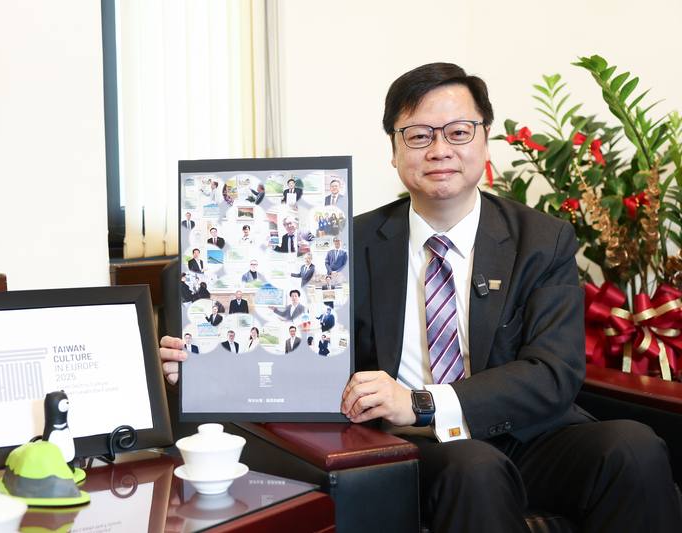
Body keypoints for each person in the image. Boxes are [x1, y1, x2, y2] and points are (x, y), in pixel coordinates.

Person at [161, 62, 681, 532]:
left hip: (526, 435)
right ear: (393, 150)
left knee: (633, 447)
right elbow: (288, 334)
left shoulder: (541, 240)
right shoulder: (341, 244)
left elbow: (554, 372)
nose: (439, 150)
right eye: (418, 135)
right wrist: (209, 367)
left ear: (484, 142)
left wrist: (421, 401)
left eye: (458, 132)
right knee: (474, 467)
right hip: (412, 449)